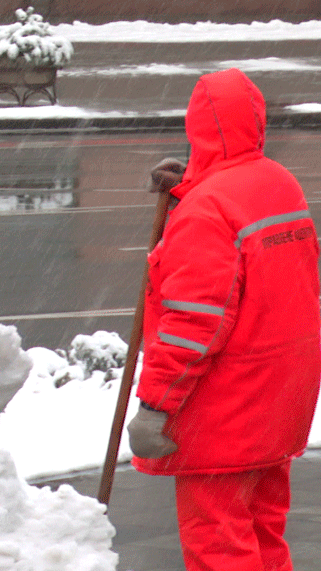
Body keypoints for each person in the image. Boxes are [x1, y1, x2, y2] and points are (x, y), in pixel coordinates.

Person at [127, 67, 321, 571]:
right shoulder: (277, 183)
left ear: (197, 127)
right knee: (262, 533)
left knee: (219, 544)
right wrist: (188, 189)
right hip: (279, 400)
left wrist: (155, 405)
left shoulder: (207, 209)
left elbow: (195, 323)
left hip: (225, 409)